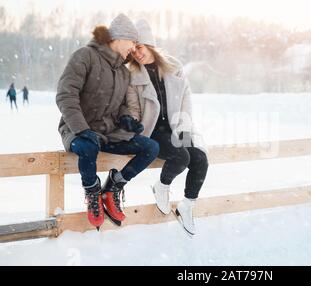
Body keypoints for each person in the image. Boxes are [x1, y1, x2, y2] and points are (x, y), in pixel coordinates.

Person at [56, 14, 160, 230]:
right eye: (132, 43)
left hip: (107, 133)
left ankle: (112, 188)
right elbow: (66, 95)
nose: (133, 49)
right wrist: (82, 129)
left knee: (150, 147)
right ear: (119, 38)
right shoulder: (85, 56)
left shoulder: (122, 72)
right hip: (77, 130)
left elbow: (121, 104)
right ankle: (92, 194)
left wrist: (126, 119)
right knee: (88, 145)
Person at [127, 19, 208, 235]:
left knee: (200, 160)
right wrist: (133, 123)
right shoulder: (132, 75)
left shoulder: (174, 67)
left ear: (149, 44)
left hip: (175, 126)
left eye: (139, 47)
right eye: (133, 50)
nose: (136, 53)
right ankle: (162, 186)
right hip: (152, 131)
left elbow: (186, 97)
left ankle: (187, 206)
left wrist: (184, 124)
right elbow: (134, 107)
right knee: (181, 157)